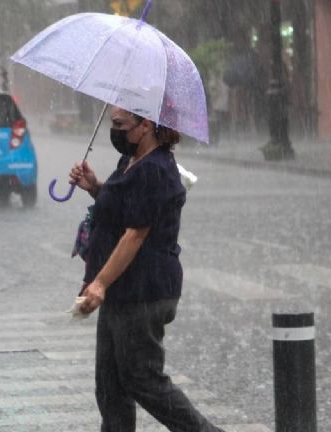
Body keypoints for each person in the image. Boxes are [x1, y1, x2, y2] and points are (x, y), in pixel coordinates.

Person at [68, 106, 224, 432]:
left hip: (144, 290)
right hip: (122, 289)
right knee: (110, 384)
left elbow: (135, 234)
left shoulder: (154, 170)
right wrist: (95, 186)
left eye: (120, 124)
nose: (115, 130)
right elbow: (122, 209)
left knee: (143, 379)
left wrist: (99, 283)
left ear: (145, 125)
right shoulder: (131, 161)